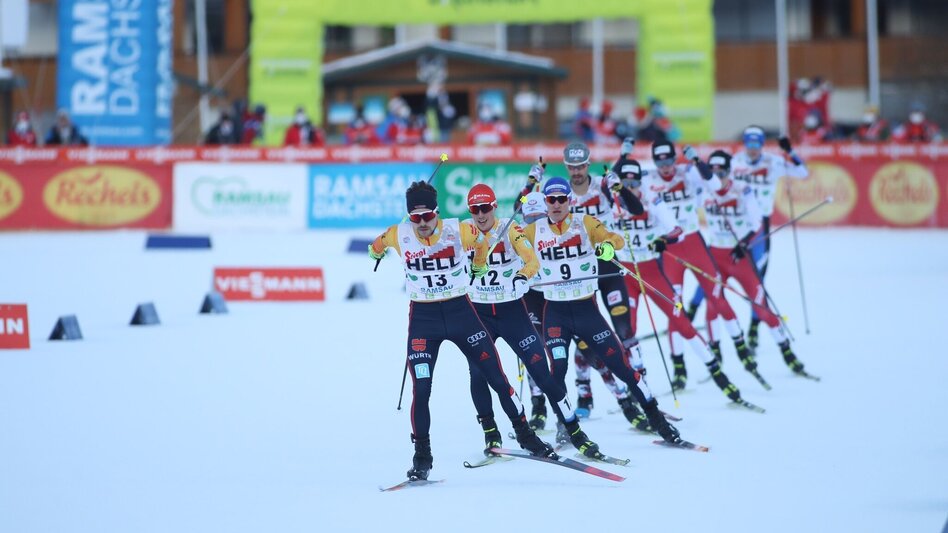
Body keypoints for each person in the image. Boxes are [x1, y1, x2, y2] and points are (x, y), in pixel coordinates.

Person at [369, 181, 555, 481]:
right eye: (415, 218)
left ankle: (525, 434)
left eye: (427, 216)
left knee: (496, 376)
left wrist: (479, 265)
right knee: (423, 389)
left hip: (461, 314)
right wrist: (376, 252)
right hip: (423, 321)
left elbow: (481, 243)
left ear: (437, 213)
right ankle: (422, 457)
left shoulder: (459, 230)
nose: (422, 224)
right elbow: (375, 246)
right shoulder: (397, 232)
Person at [522, 177, 682, 444]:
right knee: (557, 370)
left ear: (569, 201)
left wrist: (607, 246)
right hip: (555, 315)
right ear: (546, 203)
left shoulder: (584, 223)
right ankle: (566, 426)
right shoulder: (533, 231)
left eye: (562, 199)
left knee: (621, 366)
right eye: (552, 200)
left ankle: (657, 420)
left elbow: (614, 238)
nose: (557, 204)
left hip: (587, 311)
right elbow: (506, 246)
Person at [463, 183, 602, 459]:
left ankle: (574, 430)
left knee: (543, 372)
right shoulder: (463, 232)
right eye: (475, 209)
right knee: (479, 373)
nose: (481, 215)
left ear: (494, 207)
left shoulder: (510, 229)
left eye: (485, 208)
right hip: (478, 315)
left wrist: (522, 277)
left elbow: (532, 261)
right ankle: (490, 430)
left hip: (512, 312)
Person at [610, 155, 744, 403]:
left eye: (633, 184)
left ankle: (718, 374)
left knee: (681, 320)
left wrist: (664, 240)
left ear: (640, 183)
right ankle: (633, 388)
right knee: (626, 331)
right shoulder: (612, 202)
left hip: (651, 272)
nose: (629, 189)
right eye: (625, 184)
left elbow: (676, 230)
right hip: (626, 274)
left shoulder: (652, 199)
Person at [645, 140, 758, 383]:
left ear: (676, 159)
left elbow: (716, 185)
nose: (665, 167)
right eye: (659, 161)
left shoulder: (690, 173)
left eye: (669, 160)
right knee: (676, 308)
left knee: (717, 296)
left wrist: (697, 160)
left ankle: (741, 349)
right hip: (670, 249)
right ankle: (679, 368)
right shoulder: (648, 178)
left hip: (694, 243)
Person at [689, 126, 809, 354]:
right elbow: (707, 176)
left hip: (758, 227)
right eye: (749, 144)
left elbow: (802, 173)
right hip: (733, 223)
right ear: (744, 143)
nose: (753, 149)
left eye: (757, 144)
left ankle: (754, 327)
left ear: (763, 144)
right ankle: (692, 311)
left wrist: (790, 152)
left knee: (756, 279)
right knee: (713, 273)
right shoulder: (733, 162)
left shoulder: (772, 162)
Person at [560, 142, 644, 419]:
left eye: (581, 165)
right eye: (571, 167)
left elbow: (636, 210)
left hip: (607, 264)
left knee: (624, 328)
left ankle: (640, 383)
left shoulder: (603, 185)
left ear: (588, 164)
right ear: (566, 167)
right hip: (578, 270)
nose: (576, 171)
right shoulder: (559, 194)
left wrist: (619, 187)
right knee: (585, 339)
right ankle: (584, 393)